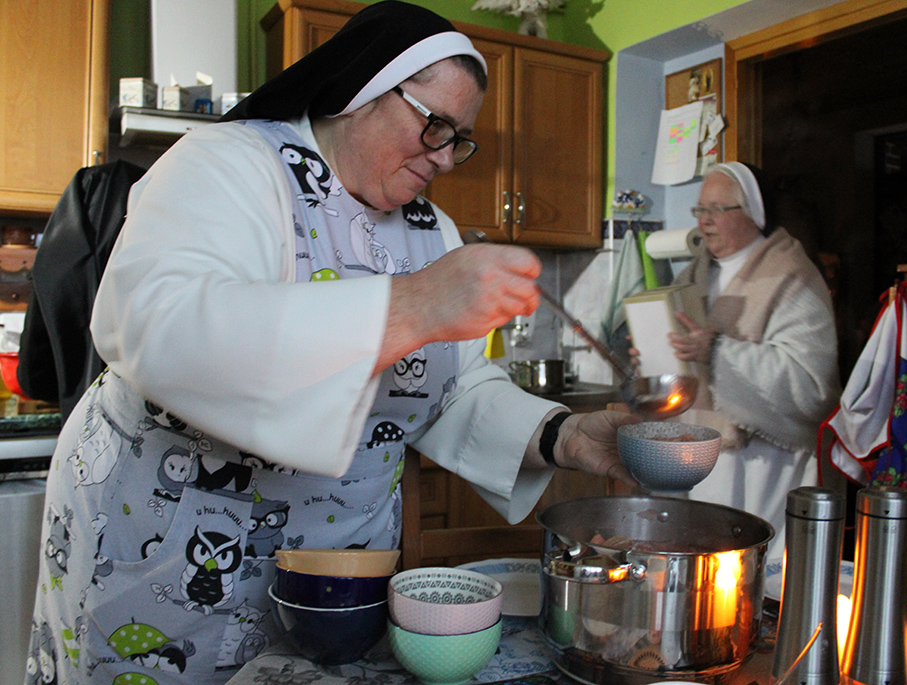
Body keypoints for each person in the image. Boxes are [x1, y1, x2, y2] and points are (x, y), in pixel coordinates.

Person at [25, 3, 638, 683]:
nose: (443, 157)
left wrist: (565, 435)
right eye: (432, 124)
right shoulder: (229, 165)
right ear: (361, 91)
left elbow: (451, 387)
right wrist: (409, 304)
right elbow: (155, 321)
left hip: (331, 575)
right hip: (162, 548)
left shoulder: (431, 230)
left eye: (458, 139)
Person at [644, 162, 840, 564]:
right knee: (704, 572)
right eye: (700, 211)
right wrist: (654, 355)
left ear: (753, 212)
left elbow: (811, 387)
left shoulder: (793, 278)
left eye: (718, 209)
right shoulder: (692, 276)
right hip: (700, 456)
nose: (705, 221)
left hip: (765, 464)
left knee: (757, 574)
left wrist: (717, 353)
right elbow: (684, 371)